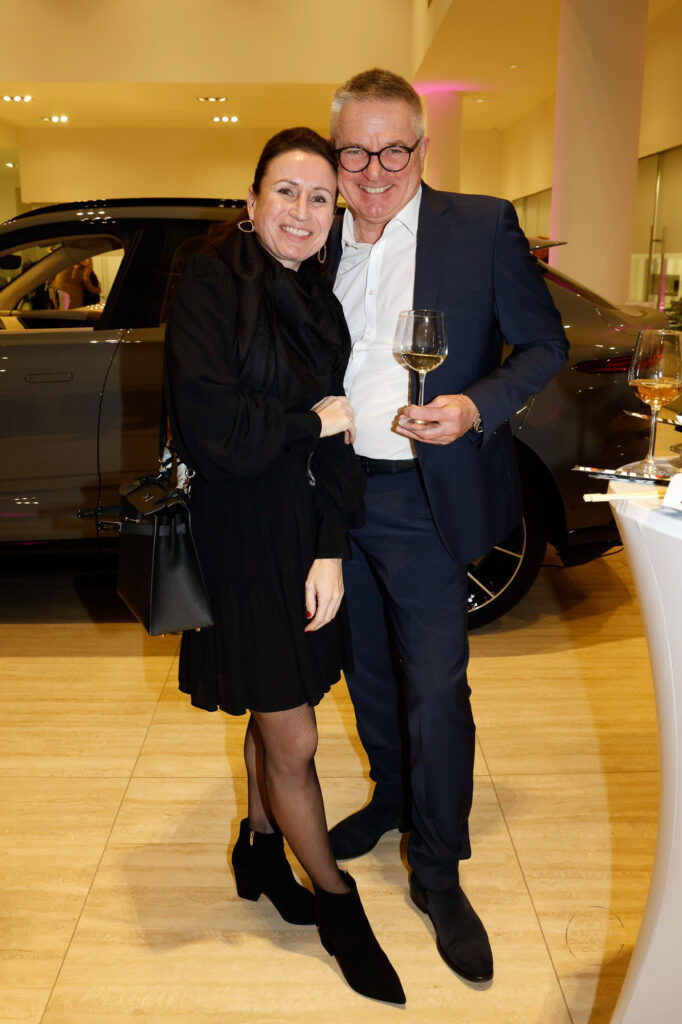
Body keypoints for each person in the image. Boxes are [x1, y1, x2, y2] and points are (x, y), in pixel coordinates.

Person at [326, 70, 569, 984]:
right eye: (356, 152)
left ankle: (437, 869)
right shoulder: (314, 235)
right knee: (364, 671)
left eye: (394, 150)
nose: (375, 171)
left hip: (422, 500)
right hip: (331, 496)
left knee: (434, 686)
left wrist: (474, 406)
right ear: (335, 155)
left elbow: (545, 344)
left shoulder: (480, 226)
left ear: (423, 148)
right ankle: (393, 796)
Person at [164, 127, 405, 1006]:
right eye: (286, 192)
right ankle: (338, 907)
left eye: (319, 197)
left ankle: (262, 850)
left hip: (303, 534)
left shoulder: (318, 297)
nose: (303, 211)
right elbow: (214, 432)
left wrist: (330, 547)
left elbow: (341, 439)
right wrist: (311, 423)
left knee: (280, 703)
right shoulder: (210, 281)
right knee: (295, 735)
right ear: (253, 198)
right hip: (238, 532)